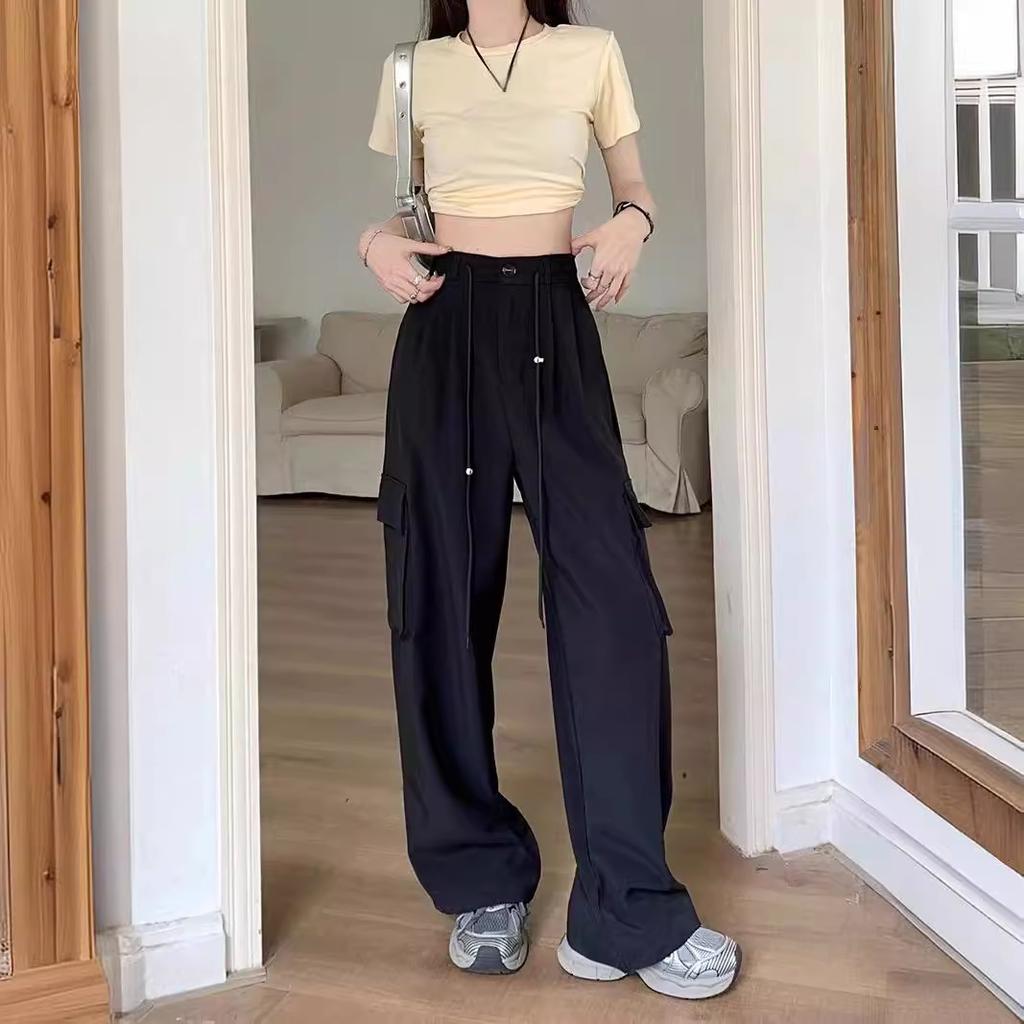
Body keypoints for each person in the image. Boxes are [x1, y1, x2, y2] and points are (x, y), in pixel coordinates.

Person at [358, 0, 740, 1002]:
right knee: (437, 604)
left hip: (554, 321)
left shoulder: (589, 53)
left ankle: (626, 906)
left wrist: (633, 223)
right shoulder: (412, 68)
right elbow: (412, 214)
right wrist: (374, 243)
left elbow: (634, 188)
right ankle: (479, 878)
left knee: (612, 606)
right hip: (444, 330)